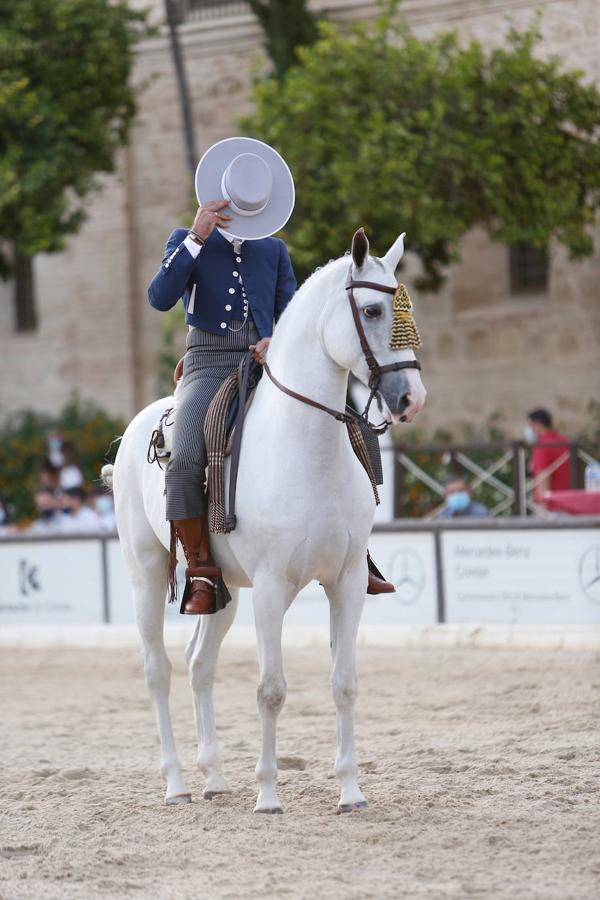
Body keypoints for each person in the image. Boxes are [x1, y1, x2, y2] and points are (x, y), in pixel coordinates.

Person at [148, 137, 394, 615]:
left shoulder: (274, 250)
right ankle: (201, 568)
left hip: (269, 364)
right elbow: (160, 296)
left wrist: (275, 340)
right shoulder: (186, 240)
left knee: (354, 426)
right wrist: (197, 238)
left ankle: (356, 550)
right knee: (184, 455)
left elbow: (290, 312)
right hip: (209, 364)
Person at [525, 408, 570, 504]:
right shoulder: (564, 441)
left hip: (552, 506)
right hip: (569, 501)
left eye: (530, 425)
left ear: (537, 424)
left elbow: (543, 476)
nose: (529, 429)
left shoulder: (543, 445)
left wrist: (543, 505)